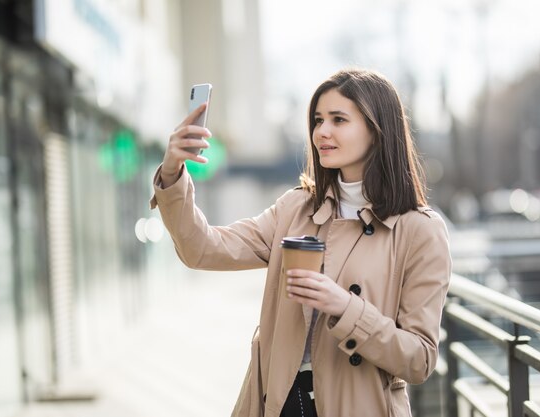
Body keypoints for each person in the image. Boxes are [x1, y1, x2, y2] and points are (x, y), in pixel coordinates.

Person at [150, 68, 452, 417]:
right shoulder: (297, 208)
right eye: (318, 120)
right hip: (279, 405)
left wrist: (345, 307)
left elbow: (419, 359)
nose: (322, 132)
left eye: (339, 120)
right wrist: (172, 172)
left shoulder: (419, 230)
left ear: (377, 130)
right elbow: (202, 248)